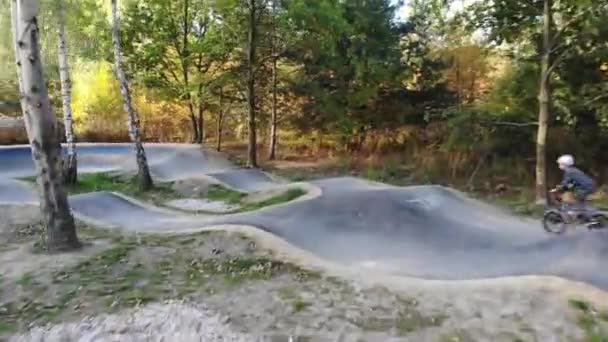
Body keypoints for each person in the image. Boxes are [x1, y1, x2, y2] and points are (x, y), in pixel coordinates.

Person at [550, 154, 597, 224]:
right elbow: (572, 184)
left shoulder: (569, 172)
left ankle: (587, 216)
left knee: (575, 200)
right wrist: (564, 188)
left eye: (560, 164)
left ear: (564, 164)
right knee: (579, 202)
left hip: (586, 188)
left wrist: (556, 189)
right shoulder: (573, 170)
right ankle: (585, 216)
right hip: (589, 186)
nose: (559, 165)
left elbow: (565, 184)